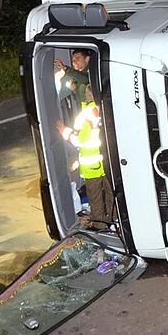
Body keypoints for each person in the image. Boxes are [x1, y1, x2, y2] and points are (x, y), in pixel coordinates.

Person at [57, 86, 114, 231]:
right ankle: (113, 221)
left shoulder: (86, 116)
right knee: (110, 195)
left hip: (92, 166)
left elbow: (80, 141)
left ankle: (100, 226)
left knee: (95, 199)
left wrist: (64, 131)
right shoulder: (104, 109)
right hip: (107, 163)